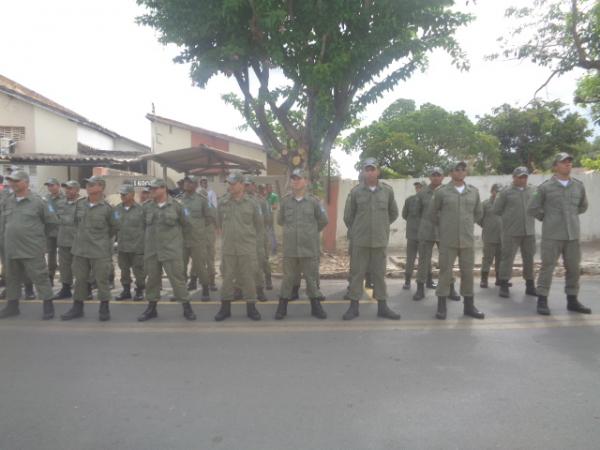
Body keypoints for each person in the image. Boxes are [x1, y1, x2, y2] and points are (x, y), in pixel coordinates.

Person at [528, 152, 591, 316]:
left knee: (574, 269)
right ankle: (542, 300)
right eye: (564, 162)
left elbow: (583, 206)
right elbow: (533, 208)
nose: (568, 164)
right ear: (555, 166)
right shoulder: (544, 187)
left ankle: (572, 300)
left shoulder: (578, 185)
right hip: (552, 235)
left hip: (572, 235)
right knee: (547, 267)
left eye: (570, 161)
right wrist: (546, 218)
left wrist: (570, 216)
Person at [342, 157, 400, 320]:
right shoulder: (355, 192)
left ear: (378, 171)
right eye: (366, 169)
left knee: (379, 274)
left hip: (379, 241)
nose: (369, 172)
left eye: (372, 169)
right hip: (360, 241)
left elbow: (393, 213)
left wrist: (380, 226)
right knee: (357, 274)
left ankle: (382, 307)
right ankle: (353, 307)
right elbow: (348, 217)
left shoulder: (387, 191)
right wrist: (360, 229)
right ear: (363, 172)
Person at [137, 178, 197, 321]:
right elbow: (142, 227)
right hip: (152, 250)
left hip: (171, 250)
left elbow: (187, 225)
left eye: (154, 189)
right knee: (152, 280)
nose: (151, 191)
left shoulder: (177, 206)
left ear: (163, 189)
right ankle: (151, 308)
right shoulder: (146, 207)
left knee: (178, 280)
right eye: (150, 189)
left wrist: (180, 245)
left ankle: (186, 307)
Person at [0, 170, 57, 320]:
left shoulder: (39, 201)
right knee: (12, 278)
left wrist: (37, 239)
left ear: (26, 182)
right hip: (11, 248)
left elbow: (51, 222)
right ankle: (12, 306)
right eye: (11, 180)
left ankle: (48, 305)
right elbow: (4, 224)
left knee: (40, 277)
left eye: (16, 180)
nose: (12, 183)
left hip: (32, 248)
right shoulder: (7, 200)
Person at [431, 161, 484, 320]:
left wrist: (465, 225)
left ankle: (469, 306)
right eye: (457, 169)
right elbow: (433, 213)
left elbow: (478, 213)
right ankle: (441, 306)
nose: (460, 172)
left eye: (463, 169)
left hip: (467, 240)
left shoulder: (473, 192)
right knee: (445, 273)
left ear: (466, 172)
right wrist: (446, 225)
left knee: (468, 273)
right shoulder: (442, 192)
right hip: (448, 240)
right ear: (451, 173)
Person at [60, 176, 117, 321]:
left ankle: (104, 307)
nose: (89, 187)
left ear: (101, 187)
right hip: (80, 249)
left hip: (99, 250)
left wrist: (100, 240)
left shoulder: (108, 208)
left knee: (101, 280)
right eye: (88, 184)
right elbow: (75, 223)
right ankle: (77, 307)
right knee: (80, 279)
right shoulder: (79, 204)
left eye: (93, 184)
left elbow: (114, 228)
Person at [275, 168, 328, 320]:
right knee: (288, 279)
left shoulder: (313, 202)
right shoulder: (285, 201)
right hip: (290, 248)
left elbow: (323, 220)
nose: (295, 181)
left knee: (311, 278)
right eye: (293, 178)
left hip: (308, 247)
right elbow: (280, 220)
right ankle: (282, 307)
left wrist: (311, 232)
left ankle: (316, 307)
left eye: (299, 178)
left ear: (306, 181)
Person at [214, 171, 262, 321]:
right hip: (229, 248)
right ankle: (225, 308)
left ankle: (251, 308)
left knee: (248, 279)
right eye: (229, 183)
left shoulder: (253, 203)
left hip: (247, 248)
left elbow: (259, 226)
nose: (231, 186)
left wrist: (255, 246)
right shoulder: (223, 202)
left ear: (242, 184)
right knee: (227, 278)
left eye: (233, 183)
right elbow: (218, 223)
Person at [413, 168, 459, 301]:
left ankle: (450, 289)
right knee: (423, 261)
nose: (436, 177)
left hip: (444, 231)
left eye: (438, 175)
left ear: (443, 177)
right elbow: (416, 213)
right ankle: (420, 289)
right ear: (429, 177)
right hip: (426, 231)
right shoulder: (421, 193)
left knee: (447, 261)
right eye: (433, 175)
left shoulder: (449, 192)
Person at [493, 166, 537, 298]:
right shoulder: (506, 192)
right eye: (520, 177)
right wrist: (510, 218)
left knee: (529, 259)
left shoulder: (533, 190)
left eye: (525, 177)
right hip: (511, 232)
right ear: (514, 178)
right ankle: (504, 285)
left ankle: (530, 285)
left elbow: (537, 205)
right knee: (507, 259)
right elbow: (497, 209)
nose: (523, 179)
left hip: (528, 231)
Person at [180, 175, 211, 300]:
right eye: (186, 182)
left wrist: (198, 228)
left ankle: (205, 289)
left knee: (199, 265)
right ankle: (181, 291)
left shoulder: (202, 200)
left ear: (196, 185)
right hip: (183, 238)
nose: (187, 184)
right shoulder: (179, 200)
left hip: (197, 238)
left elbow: (208, 218)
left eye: (190, 182)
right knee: (181, 265)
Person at [114, 184, 146, 301]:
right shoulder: (117, 209)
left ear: (132, 194)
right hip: (122, 246)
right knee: (124, 270)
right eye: (121, 194)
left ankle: (140, 290)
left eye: (124, 194)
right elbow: (114, 225)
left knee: (138, 270)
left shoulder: (141, 210)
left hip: (137, 246)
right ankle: (126, 290)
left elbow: (147, 227)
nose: (122, 196)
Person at [51, 180, 81, 300]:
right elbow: (56, 219)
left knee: (80, 268)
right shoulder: (61, 203)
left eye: (70, 188)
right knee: (64, 267)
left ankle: (83, 289)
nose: (67, 191)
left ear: (77, 190)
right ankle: (66, 288)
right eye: (66, 188)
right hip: (63, 240)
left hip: (77, 241)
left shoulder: (82, 204)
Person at [244, 175, 270, 301]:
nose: (247, 187)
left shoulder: (261, 201)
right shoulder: (239, 200)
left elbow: (267, 219)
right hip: (243, 239)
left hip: (258, 238)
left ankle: (260, 290)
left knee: (258, 265)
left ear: (254, 186)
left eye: (249, 185)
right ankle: (239, 288)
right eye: (245, 185)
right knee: (242, 266)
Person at [477, 183, 503, 288]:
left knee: (500, 259)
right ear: (492, 192)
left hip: (502, 236)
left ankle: (499, 279)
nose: (498, 194)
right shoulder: (485, 204)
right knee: (487, 258)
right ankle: (484, 279)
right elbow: (479, 218)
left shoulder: (504, 204)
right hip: (489, 236)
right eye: (496, 191)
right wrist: (486, 226)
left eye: (500, 192)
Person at [43, 177, 66, 287]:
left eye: (52, 185)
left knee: (64, 257)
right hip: (49, 232)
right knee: (51, 256)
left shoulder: (65, 198)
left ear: (58, 185)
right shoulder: (45, 199)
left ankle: (66, 279)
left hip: (63, 232)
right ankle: (50, 277)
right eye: (48, 186)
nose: (50, 188)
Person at [401, 181, 422, 290]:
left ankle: (427, 281)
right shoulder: (409, 200)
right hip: (413, 234)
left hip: (424, 235)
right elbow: (404, 214)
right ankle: (407, 281)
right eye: (417, 187)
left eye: (420, 187)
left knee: (425, 259)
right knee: (411, 258)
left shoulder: (431, 200)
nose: (418, 189)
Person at [199, 176, 218, 291]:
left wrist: (217, 228)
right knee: (200, 259)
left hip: (209, 233)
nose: (204, 183)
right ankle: (202, 281)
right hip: (199, 234)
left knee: (210, 258)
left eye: (205, 181)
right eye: (202, 182)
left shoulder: (211, 199)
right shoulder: (197, 202)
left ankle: (211, 281)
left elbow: (215, 215)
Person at [266, 183, 279, 254]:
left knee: (271, 232)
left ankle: (274, 249)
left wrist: (267, 207)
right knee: (267, 232)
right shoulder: (265, 196)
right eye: (267, 188)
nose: (268, 189)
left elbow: (275, 206)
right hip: (264, 216)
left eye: (269, 188)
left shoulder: (274, 196)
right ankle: (269, 248)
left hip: (270, 215)